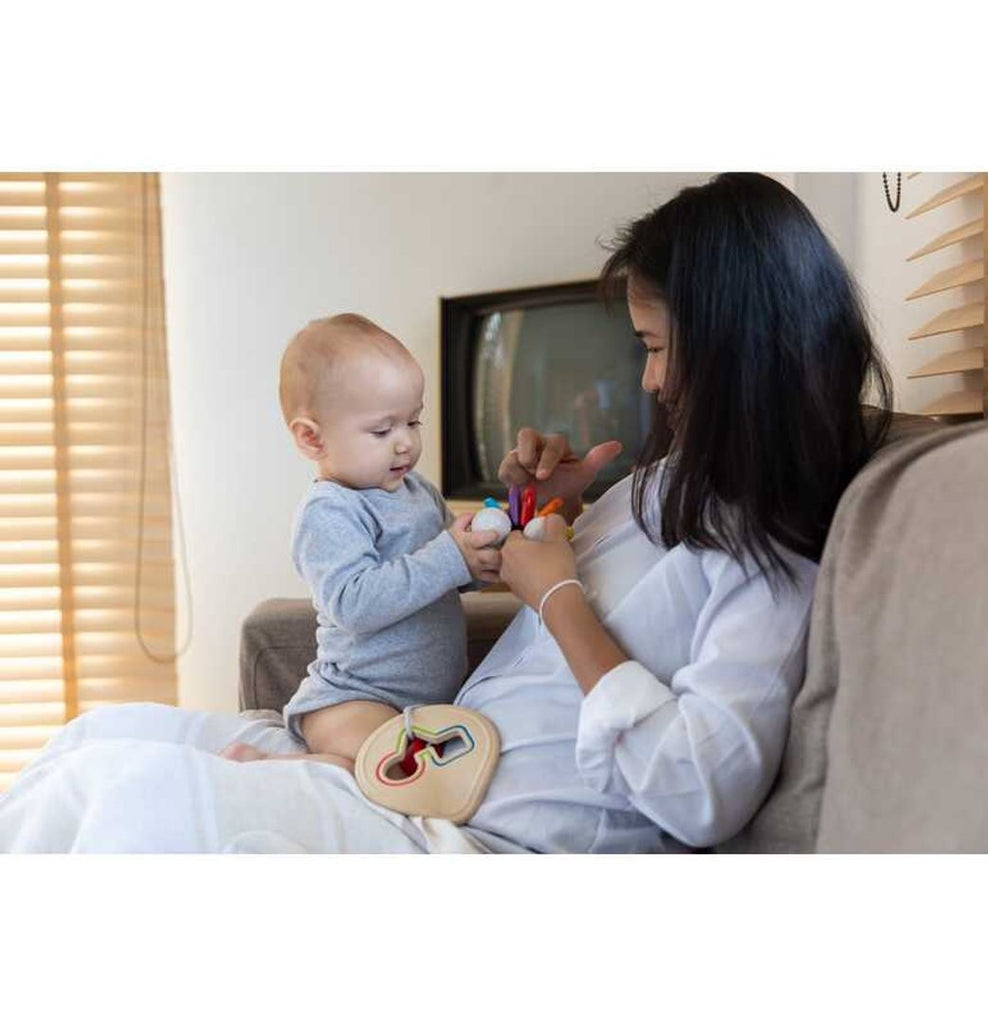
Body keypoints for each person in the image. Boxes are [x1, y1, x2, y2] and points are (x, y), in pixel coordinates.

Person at [0, 173, 892, 853]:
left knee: (114, 799)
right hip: (428, 765)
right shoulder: (679, 482)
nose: (651, 380)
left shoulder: (775, 557)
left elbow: (702, 791)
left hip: (464, 831)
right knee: (91, 737)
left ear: (738, 345)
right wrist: (555, 508)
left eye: (658, 348)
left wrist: (556, 597)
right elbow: (588, 584)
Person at [221, 313, 500, 772]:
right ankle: (262, 765)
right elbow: (354, 603)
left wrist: (477, 562)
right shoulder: (330, 511)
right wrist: (451, 557)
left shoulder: (417, 491)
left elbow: (446, 575)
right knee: (389, 768)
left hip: (428, 701)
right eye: (381, 430)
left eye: (414, 421)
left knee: (434, 762)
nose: (406, 443)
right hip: (352, 698)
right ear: (312, 438)